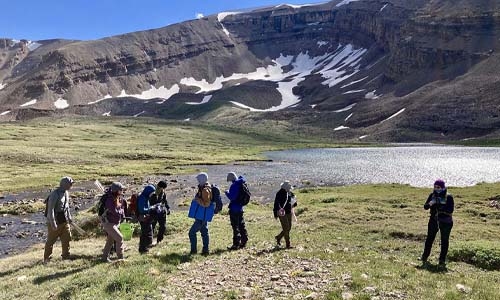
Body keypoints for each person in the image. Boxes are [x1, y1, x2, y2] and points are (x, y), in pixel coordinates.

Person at [421, 179, 454, 266]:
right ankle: (424, 257)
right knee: (429, 239)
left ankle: (442, 260)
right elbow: (425, 207)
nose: (436, 189)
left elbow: (450, 210)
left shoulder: (449, 197)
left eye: (438, 187)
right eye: (435, 187)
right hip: (433, 220)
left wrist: (440, 207)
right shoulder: (432, 195)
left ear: (443, 187)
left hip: (446, 222)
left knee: (444, 241)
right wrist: (430, 204)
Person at [44, 176, 75, 263]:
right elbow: (50, 209)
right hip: (55, 221)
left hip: (64, 220)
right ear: (64, 184)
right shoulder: (54, 194)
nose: (71, 185)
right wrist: (53, 223)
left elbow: (67, 207)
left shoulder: (66, 193)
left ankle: (66, 256)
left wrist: (69, 217)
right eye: (70, 184)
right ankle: (47, 259)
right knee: (51, 241)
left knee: (67, 238)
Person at [101, 182, 126, 262]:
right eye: (120, 190)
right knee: (120, 238)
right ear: (116, 190)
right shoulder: (109, 199)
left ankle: (104, 258)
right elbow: (115, 211)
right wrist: (121, 211)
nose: (122, 191)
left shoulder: (118, 197)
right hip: (108, 223)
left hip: (114, 222)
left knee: (110, 241)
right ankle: (120, 258)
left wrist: (121, 211)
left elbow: (120, 209)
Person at [188, 172, 212, 255]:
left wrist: (197, 200)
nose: (197, 181)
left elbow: (207, 204)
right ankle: (205, 250)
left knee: (191, 233)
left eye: (198, 179)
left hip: (201, 216)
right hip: (202, 215)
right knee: (204, 232)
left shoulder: (205, 190)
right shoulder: (203, 187)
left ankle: (193, 251)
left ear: (202, 180)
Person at [225, 172, 249, 250]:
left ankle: (236, 244)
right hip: (240, 208)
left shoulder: (234, 185)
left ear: (231, 179)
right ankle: (244, 241)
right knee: (241, 225)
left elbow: (232, 197)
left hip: (234, 209)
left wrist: (227, 192)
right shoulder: (241, 183)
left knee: (235, 226)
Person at [273, 181, 297, 249]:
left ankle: (278, 237)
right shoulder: (279, 193)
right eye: (289, 188)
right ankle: (288, 245)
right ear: (285, 188)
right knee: (286, 228)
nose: (290, 189)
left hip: (288, 212)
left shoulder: (289, 193)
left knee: (288, 227)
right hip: (282, 213)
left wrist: (294, 202)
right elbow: (276, 204)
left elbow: (293, 202)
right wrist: (275, 213)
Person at [150, 180, 171, 244]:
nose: (162, 189)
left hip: (161, 212)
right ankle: (149, 240)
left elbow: (165, 201)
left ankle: (159, 240)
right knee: (152, 227)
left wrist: (168, 208)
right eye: (161, 188)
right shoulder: (152, 192)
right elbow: (149, 202)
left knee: (163, 226)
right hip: (153, 212)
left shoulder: (163, 192)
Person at [137, 184, 155, 254]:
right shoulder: (142, 198)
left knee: (147, 231)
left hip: (146, 217)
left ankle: (145, 247)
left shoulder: (146, 197)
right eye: (151, 192)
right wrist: (151, 208)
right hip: (143, 218)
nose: (152, 194)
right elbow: (142, 210)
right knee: (145, 232)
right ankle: (142, 248)